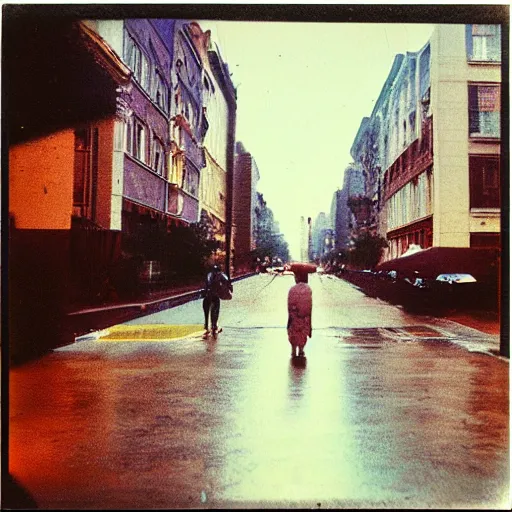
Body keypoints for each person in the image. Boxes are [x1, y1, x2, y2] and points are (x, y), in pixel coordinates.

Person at [287, 270, 313, 357]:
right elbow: (309, 304)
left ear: (297, 278)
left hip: (294, 317)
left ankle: (293, 350)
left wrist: (290, 317)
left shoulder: (292, 289)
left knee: (293, 333)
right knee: (302, 334)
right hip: (304, 316)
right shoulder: (308, 289)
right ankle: (301, 350)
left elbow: (290, 304)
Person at [202, 264, 232, 337]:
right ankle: (214, 326)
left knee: (206, 311)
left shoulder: (209, 275)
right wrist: (229, 288)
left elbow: (206, 284)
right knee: (215, 309)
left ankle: (206, 326)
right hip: (215, 295)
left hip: (207, 295)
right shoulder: (220, 275)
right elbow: (227, 280)